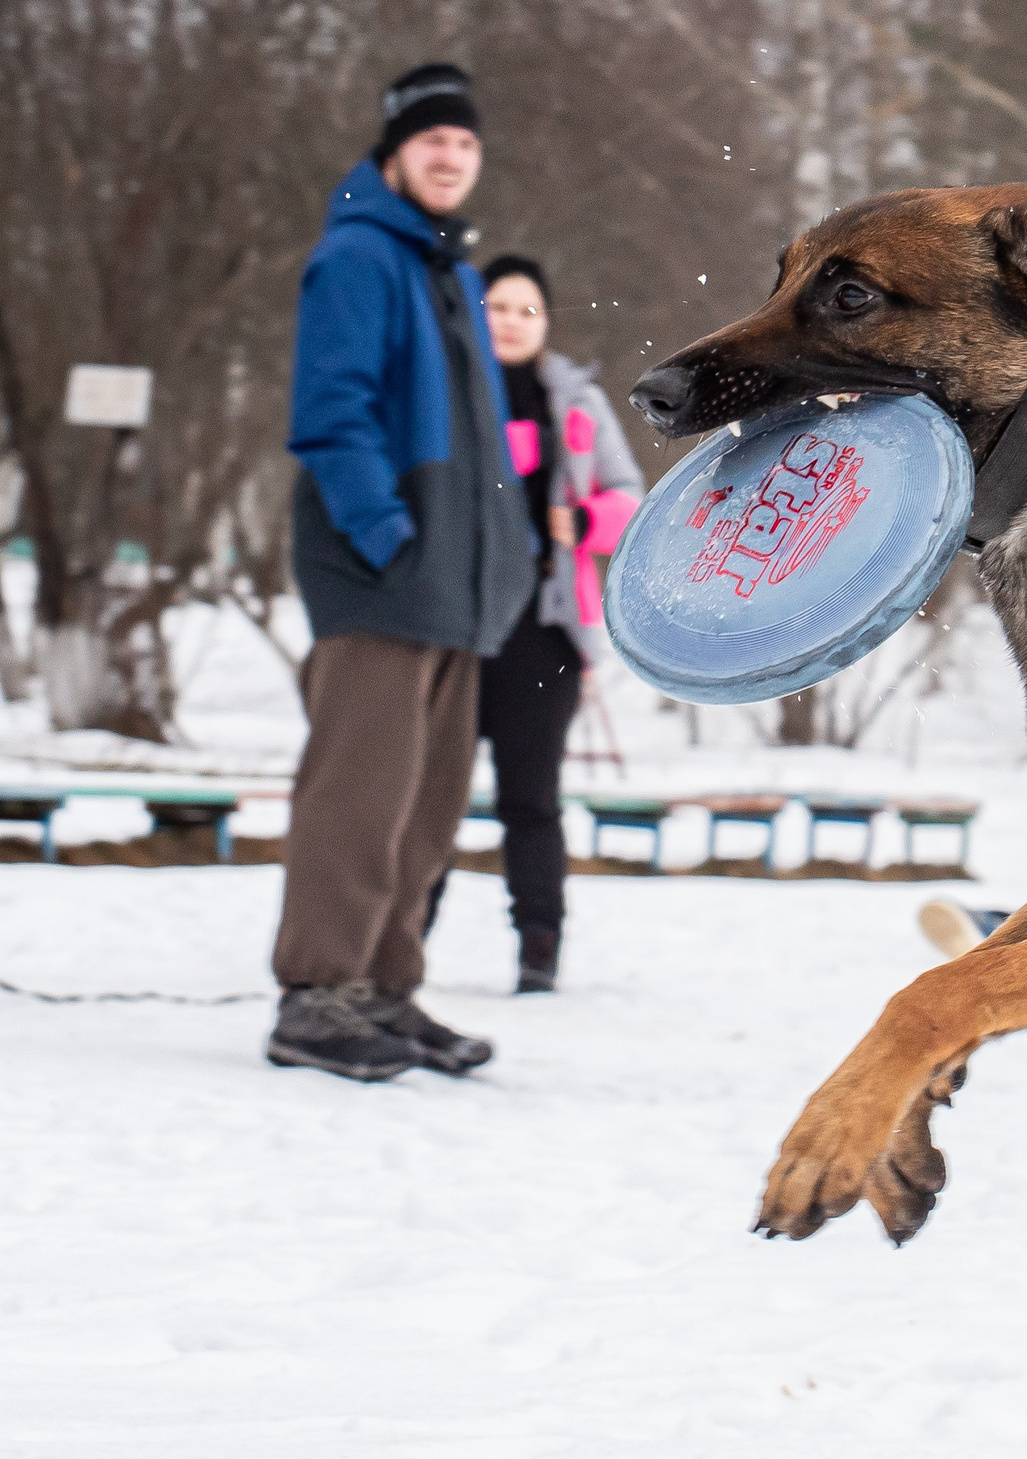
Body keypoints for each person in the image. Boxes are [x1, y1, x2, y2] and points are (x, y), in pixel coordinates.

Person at [267, 64, 532, 1081]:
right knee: (357, 797)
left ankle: (381, 986)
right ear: (393, 152)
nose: (450, 157)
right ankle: (316, 992)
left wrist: (495, 559)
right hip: (385, 575)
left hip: (457, 587)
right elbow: (331, 414)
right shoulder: (359, 259)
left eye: (464, 144)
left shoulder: (448, 268)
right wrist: (385, 534)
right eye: (432, 142)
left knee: (425, 804)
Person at [470, 254, 643, 992]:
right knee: (428, 796)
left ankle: (539, 944)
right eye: (496, 308)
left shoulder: (577, 402)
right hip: (455, 624)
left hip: (545, 629)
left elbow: (628, 497)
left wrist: (583, 518)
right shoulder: (447, 392)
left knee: (530, 799)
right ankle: (398, 938)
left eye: (525, 310)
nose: (510, 322)